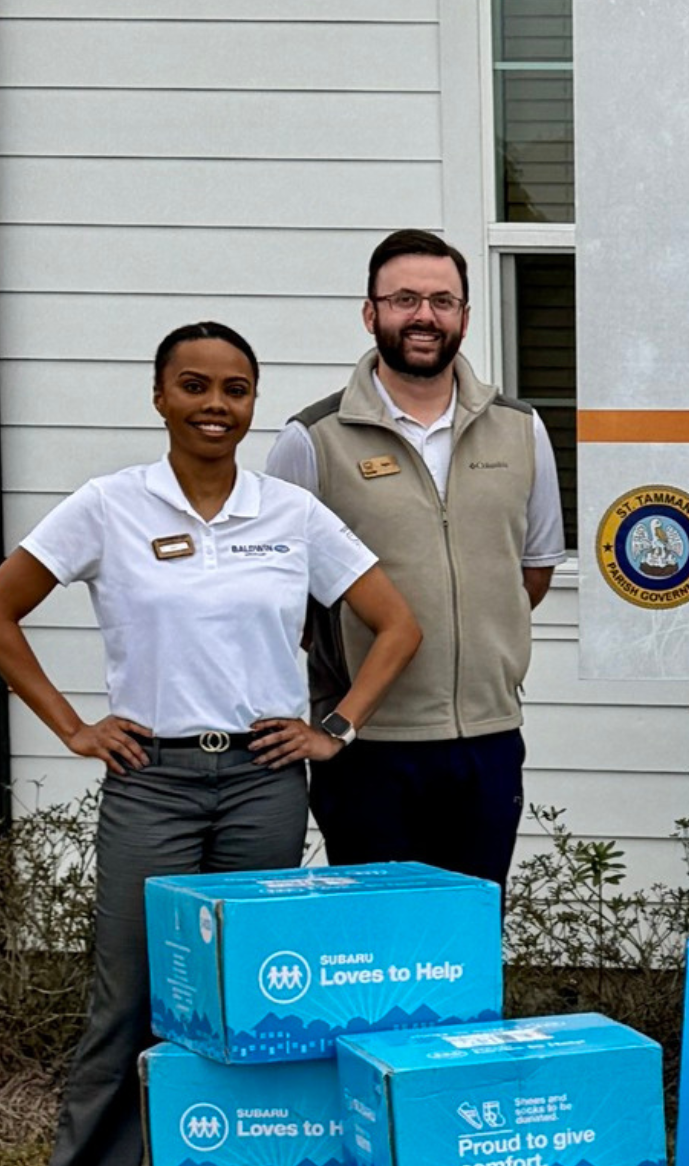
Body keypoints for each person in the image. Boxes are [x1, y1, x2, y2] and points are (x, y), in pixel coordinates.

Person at [0, 322, 420, 1166]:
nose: (216, 404)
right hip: (153, 783)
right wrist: (73, 726)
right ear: (160, 396)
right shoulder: (110, 505)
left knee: (252, 1006)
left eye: (236, 389)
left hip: (261, 782)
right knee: (125, 1005)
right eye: (195, 385)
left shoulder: (289, 512)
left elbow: (398, 623)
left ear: (253, 403)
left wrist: (335, 726)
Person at [266, 228, 566, 885]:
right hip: (366, 745)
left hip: (487, 739)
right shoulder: (312, 439)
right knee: (376, 933)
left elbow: (534, 570)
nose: (424, 316)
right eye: (404, 299)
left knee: (470, 929)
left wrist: (479, 636)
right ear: (370, 313)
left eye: (441, 301)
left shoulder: (521, 429)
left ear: (464, 316)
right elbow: (280, 592)